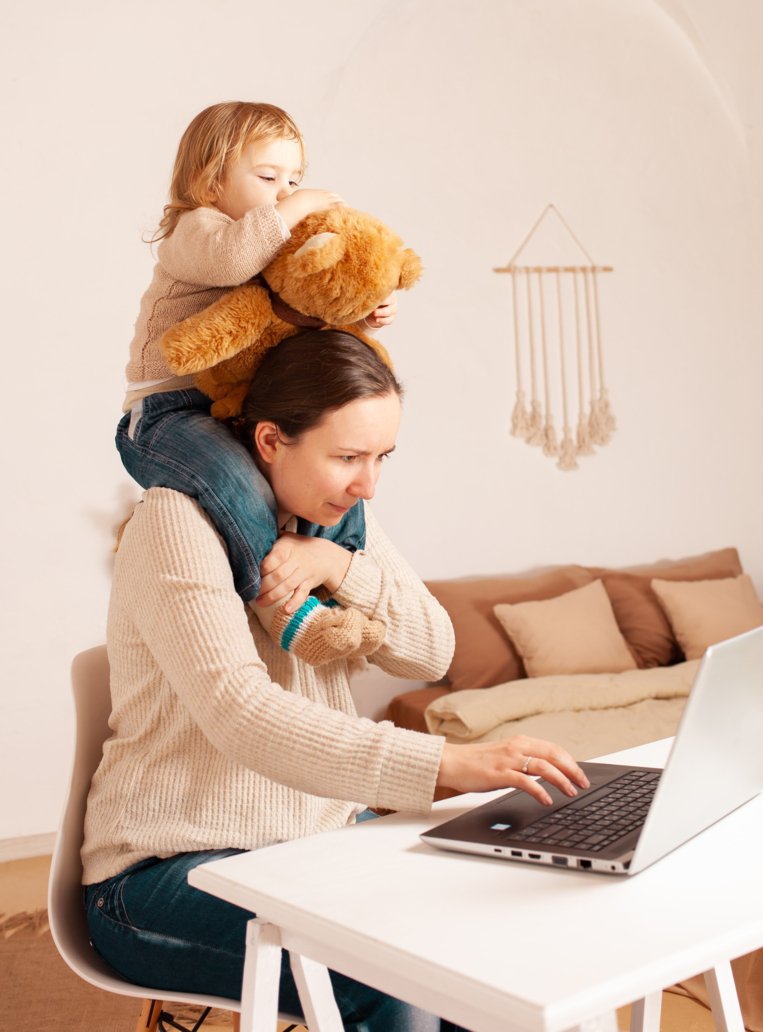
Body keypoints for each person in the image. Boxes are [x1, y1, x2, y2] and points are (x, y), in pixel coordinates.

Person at [84, 331, 590, 1031]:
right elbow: (242, 714)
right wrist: (445, 764)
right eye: (348, 457)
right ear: (269, 440)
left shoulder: (338, 521)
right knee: (397, 986)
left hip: (315, 848)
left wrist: (338, 564)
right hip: (164, 871)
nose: (368, 483)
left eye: (382, 457)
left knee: (497, 954)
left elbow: (431, 649)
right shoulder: (176, 522)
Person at [116, 100, 396, 666]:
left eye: (294, 179)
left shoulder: (266, 238)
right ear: (209, 180)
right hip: (166, 414)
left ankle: (334, 584)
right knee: (235, 479)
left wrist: (360, 309)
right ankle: (282, 608)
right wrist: (296, 208)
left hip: (229, 405)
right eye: (268, 178)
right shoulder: (198, 230)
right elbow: (231, 263)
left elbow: (295, 302)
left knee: (342, 487)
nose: (283, 191)